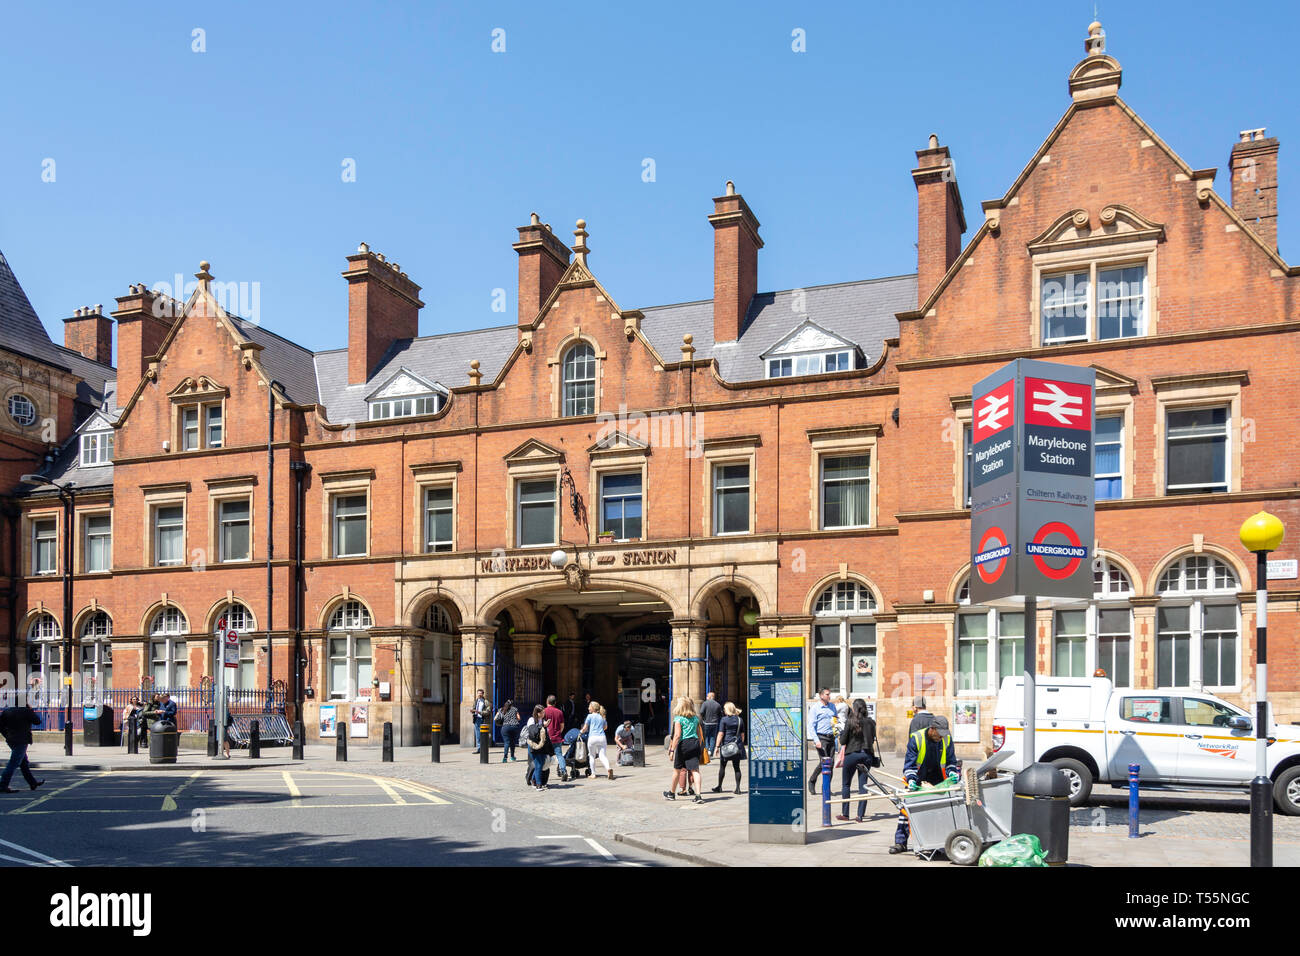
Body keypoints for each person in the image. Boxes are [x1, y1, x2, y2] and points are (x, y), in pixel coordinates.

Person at [892, 715, 959, 854]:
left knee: (939, 811)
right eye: (939, 734)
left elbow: (951, 761)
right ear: (932, 729)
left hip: (938, 778)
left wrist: (953, 772)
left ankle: (937, 843)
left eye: (943, 734)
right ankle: (900, 842)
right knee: (906, 809)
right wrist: (911, 779)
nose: (941, 737)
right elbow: (909, 764)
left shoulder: (946, 739)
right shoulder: (916, 739)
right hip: (918, 777)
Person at [836, 699, 878, 822]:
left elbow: (843, 741)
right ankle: (860, 815)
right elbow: (872, 739)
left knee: (846, 784)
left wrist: (842, 733)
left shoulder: (851, 721)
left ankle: (845, 813)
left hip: (852, 754)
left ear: (854, 708)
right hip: (867, 755)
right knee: (863, 785)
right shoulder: (871, 722)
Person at [664, 697, 704, 803]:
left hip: (684, 744)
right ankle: (698, 795)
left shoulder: (678, 719)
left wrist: (672, 750)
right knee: (695, 770)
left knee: (677, 770)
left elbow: (676, 735)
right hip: (694, 743)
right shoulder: (695, 718)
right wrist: (698, 746)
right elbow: (700, 735)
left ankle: (671, 793)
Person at [0, 704, 44, 793]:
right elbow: (37, 721)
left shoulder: (7, 711)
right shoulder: (26, 711)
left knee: (23, 762)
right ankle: (3, 785)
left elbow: (0, 726)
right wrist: (30, 710)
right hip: (22, 740)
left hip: (11, 739)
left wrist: (7, 735)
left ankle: (32, 782)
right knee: (14, 763)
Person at [807, 687, 837, 794]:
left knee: (831, 763)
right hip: (821, 738)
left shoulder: (832, 706)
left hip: (831, 737)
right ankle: (812, 781)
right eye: (827, 694)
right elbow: (811, 726)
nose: (829, 696)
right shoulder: (815, 708)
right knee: (824, 762)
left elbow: (835, 721)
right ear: (821, 695)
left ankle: (826, 789)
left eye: (829, 694)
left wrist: (837, 735)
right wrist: (816, 740)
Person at [710, 701, 745, 794]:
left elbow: (721, 733)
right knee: (737, 767)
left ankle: (719, 786)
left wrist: (717, 746)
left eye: (724, 709)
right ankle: (738, 788)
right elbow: (742, 735)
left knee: (722, 767)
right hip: (736, 746)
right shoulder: (740, 720)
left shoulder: (724, 720)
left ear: (727, 710)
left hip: (726, 746)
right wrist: (740, 744)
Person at [524, 705, 553, 791]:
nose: (544, 714)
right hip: (533, 746)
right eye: (542, 712)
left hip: (542, 746)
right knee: (539, 765)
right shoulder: (531, 720)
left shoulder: (543, 720)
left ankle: (533, 780)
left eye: (544, 712)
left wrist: (545, 726)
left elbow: (544, 735)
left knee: (541, 764)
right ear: (537, 713)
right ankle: (538, 784)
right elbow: (533, 733)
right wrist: (542, 726)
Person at [582, 701, 613, 780]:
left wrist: (581, 731)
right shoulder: (602, 716)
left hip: (592, 737)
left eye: (589, 706)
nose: (588, 708)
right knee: (603, 756)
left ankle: (593, 774)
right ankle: (608, 768)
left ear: (593, 708)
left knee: (592, 756)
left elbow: (585, 728)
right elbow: (605, 727)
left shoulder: (589, 716)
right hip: (602, 737)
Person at [543, 694, 569, 781]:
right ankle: (564, 771)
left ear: (547, 702)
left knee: (544, 755)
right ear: (555, 703)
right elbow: (562, 725)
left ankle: (542, 772)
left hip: (546, 738)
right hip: (557, 737)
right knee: (559, 755)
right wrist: (558, 732)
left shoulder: (544, 711)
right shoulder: (559, 712)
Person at [699, 691, 722, 758]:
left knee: (706, 737)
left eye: (707, 696)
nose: (706, 697)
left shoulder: (705, 703)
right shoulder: (717, 704)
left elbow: (701, 712)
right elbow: (720, 714)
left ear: (709, 697)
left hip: (706, 723)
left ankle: (706, 753)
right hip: (714, 723)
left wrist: (704, 718)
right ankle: (711, 753)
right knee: (712, 738)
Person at [469, 689, 490, 753]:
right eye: (478, 693)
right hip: (476, 718)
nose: (479, 694)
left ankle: (484, 748)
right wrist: (473, 711)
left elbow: (488, 711)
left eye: (481, 693)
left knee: (483, 734)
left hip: (483, 719)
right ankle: (479, 748)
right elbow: (474, 708)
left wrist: (479, 712)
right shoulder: (476, 701)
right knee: (477, 734)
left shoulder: (486, 702)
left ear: (483, 694)